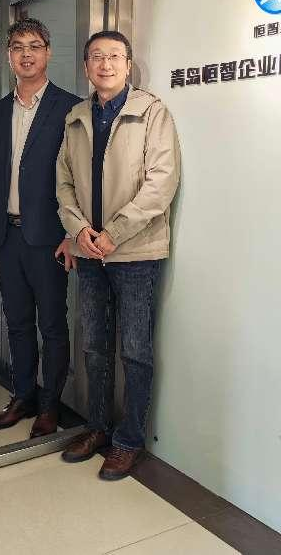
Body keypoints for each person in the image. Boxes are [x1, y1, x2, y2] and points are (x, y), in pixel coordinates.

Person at [56, 31, 181, 480]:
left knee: (135, 350)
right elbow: (63, 183)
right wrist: (79, 230)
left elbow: (161, 184)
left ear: (128, 65)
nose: (105, 64)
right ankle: (97, 428)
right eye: (96, 57)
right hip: (89, 251)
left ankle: (128, 441)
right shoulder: (76, 117)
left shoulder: (151, 112)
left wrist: (114, 233)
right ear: (86, 66)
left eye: (114, 56)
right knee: (94, 345)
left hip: (136, 253)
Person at [0, 18, 81, 438]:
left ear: (48, 52)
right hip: (6, 236)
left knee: (52, 325)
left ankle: (50, 404)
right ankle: (22, 395)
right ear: (9, 56)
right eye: (18, 47)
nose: (26, 54)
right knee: (17, 321)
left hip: (50, 238)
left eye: (35, 46)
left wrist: (73, 234)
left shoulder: (70, 107)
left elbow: (80, 176)